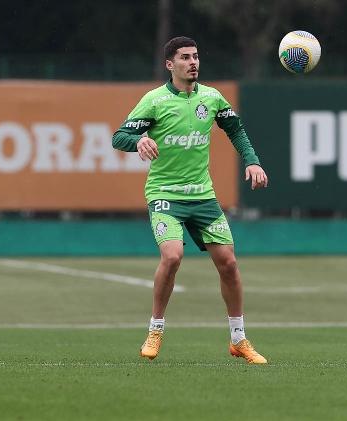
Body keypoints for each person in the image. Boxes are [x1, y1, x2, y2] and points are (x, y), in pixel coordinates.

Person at [112, 36, 269, 364]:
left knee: (229, 263)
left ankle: (238, 339)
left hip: (202, 197)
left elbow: (236, 130)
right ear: (170, 65)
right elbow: (120, 136)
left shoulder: (211, 98)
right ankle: (155, 329)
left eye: (196, 56)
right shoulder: (154, 101)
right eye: (185, 57)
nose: (193, 62)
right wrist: (138, 140)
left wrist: (252, 160)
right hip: (164, 194)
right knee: (172, 257)